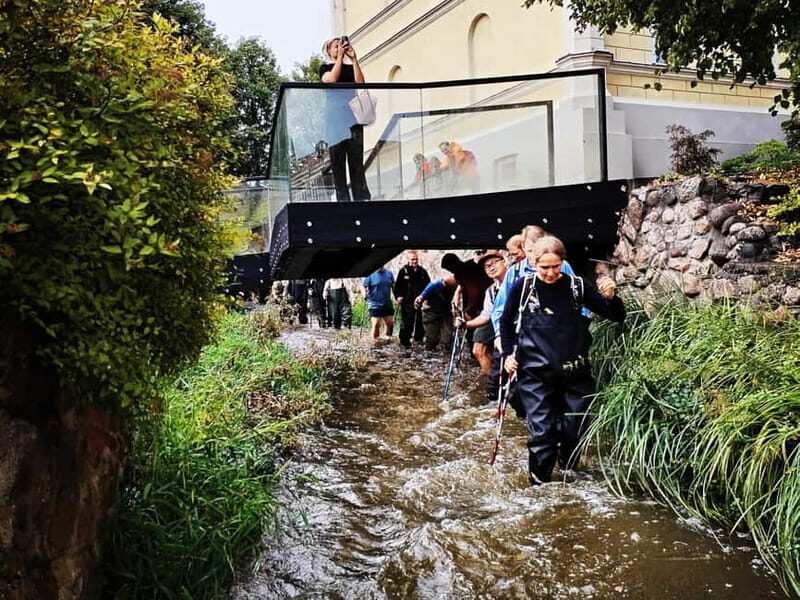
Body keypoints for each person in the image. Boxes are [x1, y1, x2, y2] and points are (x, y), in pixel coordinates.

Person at [499, 236, 626, 486]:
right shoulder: (523, 288)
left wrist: (611, 297)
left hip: (574, 373)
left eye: (555, 266)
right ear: (534, 263)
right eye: (544, 267)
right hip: (534, 374)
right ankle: (540, 487)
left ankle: (569, 473)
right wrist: (508, 354)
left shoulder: (577, 287)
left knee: (574, 429)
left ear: (562, 262)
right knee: (542, 434)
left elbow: (615, 315)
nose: (549, 272)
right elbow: (505, 322)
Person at [319, 36, 371, 202]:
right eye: (335, 47)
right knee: (338, 161)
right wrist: (340, 58)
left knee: (356, 159)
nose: (339, 48)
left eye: (340, 45)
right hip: (335, 119)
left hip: (352, 117)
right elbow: (331, 80)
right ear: (328, 52)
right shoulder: (325, 68)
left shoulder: (349, 69)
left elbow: (360, 83)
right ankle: (343, 200)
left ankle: (361, 197)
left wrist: (354, 59)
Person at [455, 250, 507, 380]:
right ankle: (491, 382)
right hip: (496, 323)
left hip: (512, 327)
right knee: (478, 349)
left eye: (494, 262)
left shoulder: (516, 282)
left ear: (505, 262)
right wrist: (464, 324)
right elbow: (486, 316)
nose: (491, 267)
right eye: (487, 266)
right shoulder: (491, 291)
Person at [393, 250, 430, 348]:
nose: (415, 261)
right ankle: (404, 341)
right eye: (413, 259)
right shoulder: (403, 271)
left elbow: (428, 285)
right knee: (407, 321)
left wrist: (425, 298)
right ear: (408, 260)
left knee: (420, 321)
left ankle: (418, 340)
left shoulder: (422, 272)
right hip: (407, 302)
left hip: (420, 301)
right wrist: (398, 297)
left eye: (416, 259)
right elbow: (397, 287)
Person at [363, 266, 395, 340]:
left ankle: (386, 340)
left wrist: (397, 297)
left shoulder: (389, 273)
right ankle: (375, 340)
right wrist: (364, 294)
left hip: (387, 304)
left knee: (390, 324)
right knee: (376, 323)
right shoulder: (370, 274)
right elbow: (363, 287)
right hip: (374, 304)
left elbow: (393, 286)